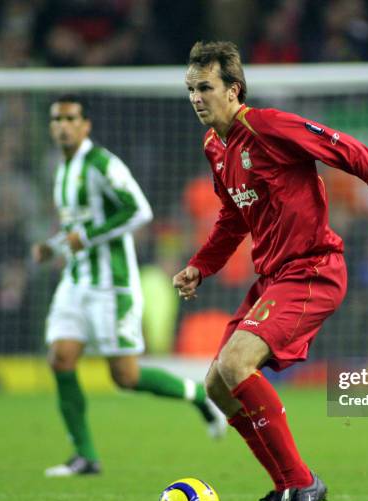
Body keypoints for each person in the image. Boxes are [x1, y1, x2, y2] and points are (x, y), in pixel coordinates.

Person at [173, 42, 368, 501]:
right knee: (218, 385)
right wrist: (202, 265)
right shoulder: (215, 148)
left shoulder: (268, 127)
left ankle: (302, 481)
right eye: (191, 89)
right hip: (273, 279)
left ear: (233, 90)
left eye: (205, 88)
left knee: (235, 364)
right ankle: (288, 486)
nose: (197, 97)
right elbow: (231, 218)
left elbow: (346, 149)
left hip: (312, 270)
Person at [33, 95, 226, 478]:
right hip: (75, 282)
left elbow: (139, 209)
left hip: (111, 286)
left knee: (125, 376)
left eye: (71, 118)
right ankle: (85, 456)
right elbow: (76, 228)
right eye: (57, 119)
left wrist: (86, 237)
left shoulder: (102, 164)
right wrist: (52, 247)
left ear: (85, 125)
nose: (63, 125)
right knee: (60, 359)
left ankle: (199, 396)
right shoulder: (62, 170)